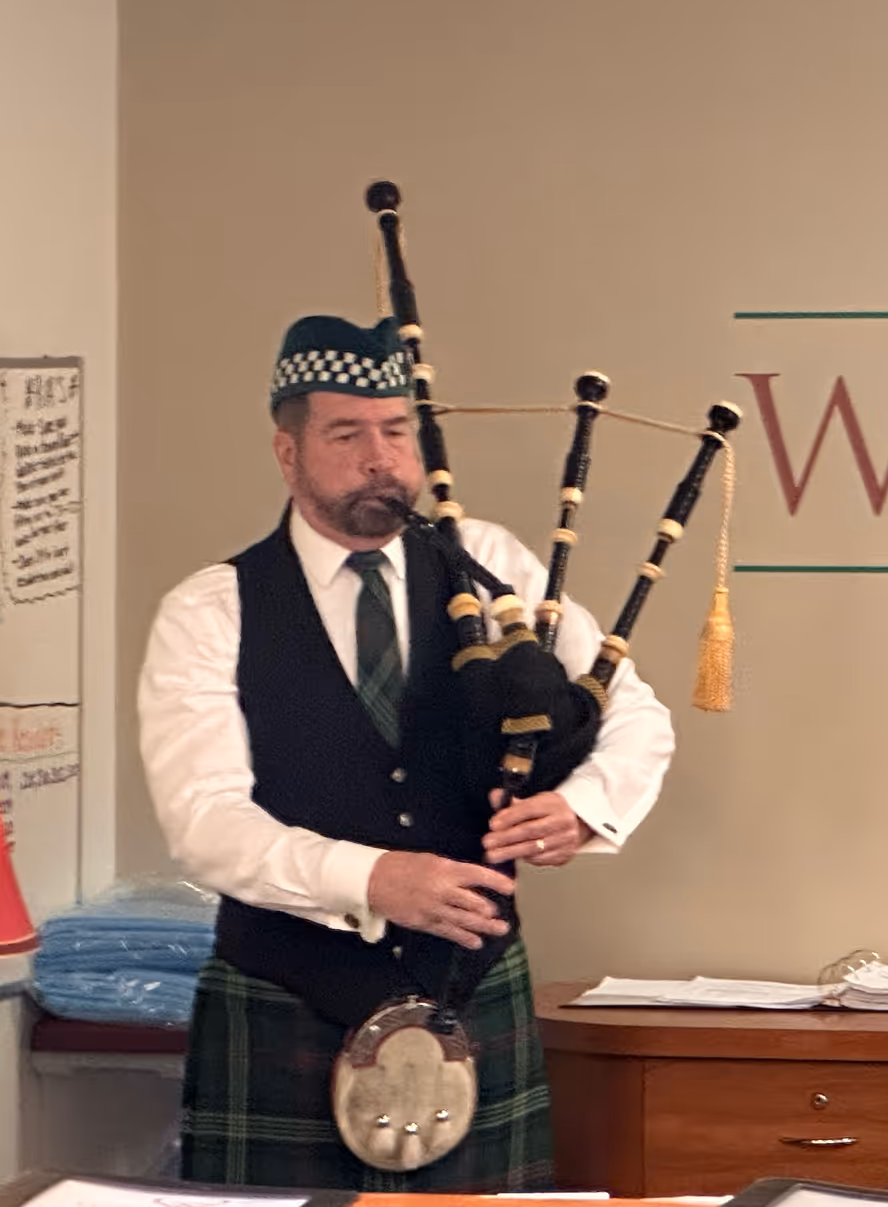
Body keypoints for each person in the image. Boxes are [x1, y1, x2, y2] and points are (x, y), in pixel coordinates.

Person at [138, 314, 675, 1190]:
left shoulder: (493, 567)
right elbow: (204, 821)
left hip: (472, 996)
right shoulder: (213, 609)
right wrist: (370, 878)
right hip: (284, 1005)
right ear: (288, 452)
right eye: (346, 434)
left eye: (397, 431)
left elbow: (630, 710)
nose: (379, 456)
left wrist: (584, 808)